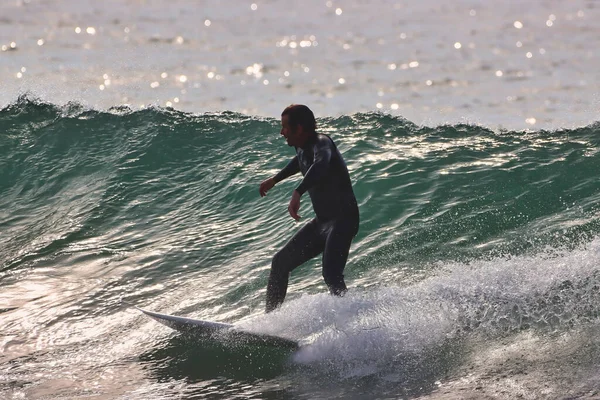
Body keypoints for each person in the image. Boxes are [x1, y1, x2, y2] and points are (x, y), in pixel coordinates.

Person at [259, 104, 359, 313]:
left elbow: (321, 163)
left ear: (300, 128)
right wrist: (275, 180)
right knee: (280, 263)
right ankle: (269, 324)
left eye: (286, 127)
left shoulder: (323, 143)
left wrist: (298, 192)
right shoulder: (302, 146)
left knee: (331, 274)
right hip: (322, 222)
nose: (281, 132)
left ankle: (352, 320)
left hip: (343, 220)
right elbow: (300, 161)